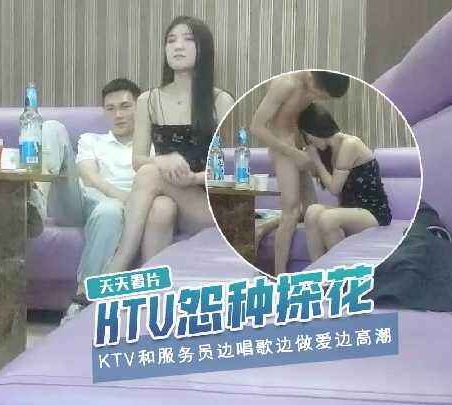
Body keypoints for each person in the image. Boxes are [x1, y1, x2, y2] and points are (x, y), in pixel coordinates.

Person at [105, 16, 234, 272]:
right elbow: (138, 160)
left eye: (188, 39)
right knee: (161, 208)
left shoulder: (221, 101)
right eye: (171, 40)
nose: (178, 46)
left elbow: (226, 171)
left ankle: (117, 265)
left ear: (203, 49)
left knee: (150, 173)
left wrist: (192, 178)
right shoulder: (148, 100)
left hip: (208, 205)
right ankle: (151, 284)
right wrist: (162, 160)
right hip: (169, 200)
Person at [44, 78, 177, 320]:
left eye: (125, 106)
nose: (118, 115)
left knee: (109, 210)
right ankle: (37, 198)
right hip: (80, 202)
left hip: (118, 211)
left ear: (140, 109)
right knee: (52, 127)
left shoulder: (153, 150)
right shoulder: (91, 140)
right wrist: (125, 198)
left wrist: (128, 203)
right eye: (110, 108)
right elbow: (89, 176)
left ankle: (82, 300)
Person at [249, 70, 349, 275]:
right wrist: (294, 154)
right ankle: (279, 276)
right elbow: (256, 127)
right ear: (312, 80)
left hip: (297, 146)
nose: (320, 99)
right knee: (291, 213)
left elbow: (298, 119)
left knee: (311, 211)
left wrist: (309, 154)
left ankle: (263, 228)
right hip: (282, 148)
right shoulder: (285, 84)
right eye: (321, 95)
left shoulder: (310, 87)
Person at [299, 103, 392, 260]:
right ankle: (317, 269)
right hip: (350, 209)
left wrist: (316, 160)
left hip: (373, 212)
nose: (309, 141)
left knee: (327, 218)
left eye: (307, 136)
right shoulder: (329, 150)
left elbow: (334, 188)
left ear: (315, 130)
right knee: (312, 212)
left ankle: (342, 271)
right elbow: (321, 180)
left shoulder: (350, 144)